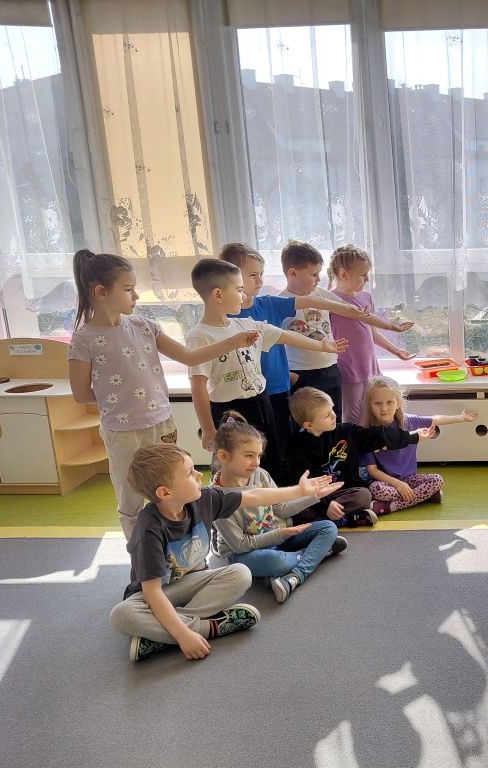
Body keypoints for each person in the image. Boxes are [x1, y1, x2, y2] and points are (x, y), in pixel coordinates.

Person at [67, 249, 258, 540]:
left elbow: (189, 356)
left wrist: (232, 341)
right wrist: (122, 398)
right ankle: (142, 557)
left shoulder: (144, 326)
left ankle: (183, 547)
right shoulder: (84, 340)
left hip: (162, 423)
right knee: (131, 498)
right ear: (101, 292)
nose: (136, 296)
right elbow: (81, 394)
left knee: (176, 488)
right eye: (128, 289)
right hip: (123, 432)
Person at [109, 443, 334, 661]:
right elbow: (153, 593)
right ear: (165, 492)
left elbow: (254, 496)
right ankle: (209, 627)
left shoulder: (205, 499)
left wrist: (299, 491)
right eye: (189, 473)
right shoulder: (148, 529)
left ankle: (161, 634)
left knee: (241, 573)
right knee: (121, 615)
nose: (199, 475)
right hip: (156, 594)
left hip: (195, 583)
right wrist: (184, 636)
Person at [186, 258, 341, 483]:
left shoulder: (246, 324)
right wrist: (208, 429)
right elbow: (198, 386)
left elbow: (283, 335)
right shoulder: (200, 336)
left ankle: (274, 501)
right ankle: (234, 501)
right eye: (239, 290)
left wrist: (321, 345)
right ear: (218, 295)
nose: (243, 296)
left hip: (261, 402)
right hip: (229, 410)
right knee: (234, 464)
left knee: (270, 458)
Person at [219, 242, 360, 480]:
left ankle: (286, 490)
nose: (260, 280)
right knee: (251, 447)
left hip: (278, 389)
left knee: (282, 445)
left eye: (261, 274)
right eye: (253, 275)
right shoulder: (225, 319)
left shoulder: (268, 303)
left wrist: (347, 311)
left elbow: (305, 309)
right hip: (245, 395)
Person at [209, 411, 347, 604]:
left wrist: (314, 497)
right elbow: (241, 545)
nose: (256, 462)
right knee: (276, 561)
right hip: (245, 554)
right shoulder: (215, 497)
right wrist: (281, 533)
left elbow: (281, 509)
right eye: (249, 456)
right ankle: (318, 553)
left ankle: (295, 576)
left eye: (259, 455)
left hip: (278, 540)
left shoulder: (260, 474)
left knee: (328, 527)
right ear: (223, 456)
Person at [279, 240, 413, 421]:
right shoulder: (280, 303)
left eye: (318, 274)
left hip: (339, 368)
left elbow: (358, 317)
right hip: (316, 372)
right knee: (317, 421)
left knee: (341, 420)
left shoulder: (325, 294)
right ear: (293, 273)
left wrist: (390, 330)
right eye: (313, 274)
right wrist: (287, 374)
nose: (318, 279)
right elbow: (274, 342)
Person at [286, 386, 434, 527]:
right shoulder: (298, 447)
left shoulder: (347, 431)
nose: (334, 416)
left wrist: (412, 436)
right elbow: (303, 483)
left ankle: (326, 521)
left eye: (332, 409)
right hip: (316, 497)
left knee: (364, 495)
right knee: (294, 505)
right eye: (326, 415)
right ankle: (345, 520)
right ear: (308, 425)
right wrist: (326, 505)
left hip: (345, 492)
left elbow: (379, 436)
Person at [359, 376, 477, 514]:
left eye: (389, 402)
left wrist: (461, 418)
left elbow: (436, 419)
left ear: (398, 403)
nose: (384, 408)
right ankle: (426, 496)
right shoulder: (367, 434)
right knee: (376, 489)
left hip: (410, 479)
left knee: (437, 480)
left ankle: (391, 507)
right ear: (370, 405)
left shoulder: (409, 421)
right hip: (387, 482)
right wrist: (398, 484)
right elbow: (373, 471)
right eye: (378, 403)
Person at [328, 244, 415, 423]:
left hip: (370, 367)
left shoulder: (366, 297)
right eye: (362, 274)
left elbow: (371, 333)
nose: (367, 279)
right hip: (348, 369)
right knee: (353, 418)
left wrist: (396, 351)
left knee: (374, 415)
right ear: (343, 274)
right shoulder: (329, 301)